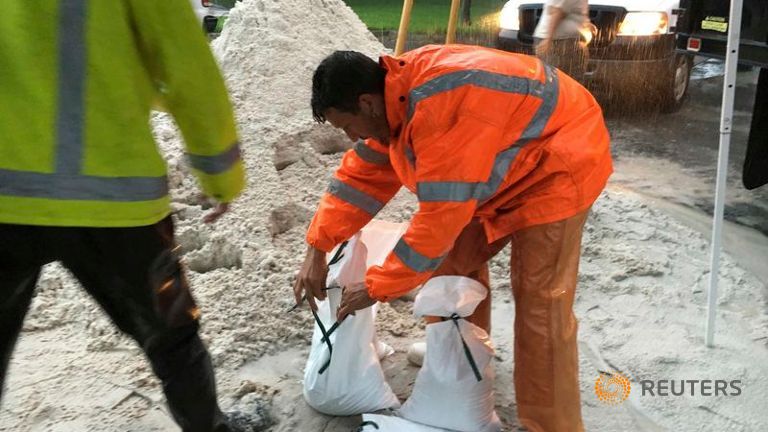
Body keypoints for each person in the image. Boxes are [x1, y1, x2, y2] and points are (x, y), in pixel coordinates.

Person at [294, 45, 612, 432]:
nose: (351, 137)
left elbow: (439, 223)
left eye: (347, 126)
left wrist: (377, 286)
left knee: (540, 303)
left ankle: (552, 424)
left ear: (367, 103)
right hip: (501, 155)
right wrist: (317, 246)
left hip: (560, 161)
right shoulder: (394, 101)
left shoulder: (440, 110)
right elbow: (359, 180)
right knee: (449, 269)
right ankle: (462, 358)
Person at [0, 1, 248, 431]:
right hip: (115, 198)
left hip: (7, 196)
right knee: (173, 339)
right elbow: (186, 68)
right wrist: (220, 175)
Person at [533, 0, 592, 78]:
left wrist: (585, 24)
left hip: (563, 41)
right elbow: (557, 11)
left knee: (558, 79)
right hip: (560, 42)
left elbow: (572, 12)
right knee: (560, 79)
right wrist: (548, 39)